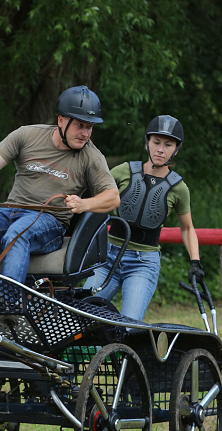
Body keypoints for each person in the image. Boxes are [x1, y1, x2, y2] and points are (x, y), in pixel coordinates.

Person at [0, 86, 120, 283]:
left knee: (17, 234)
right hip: (9, 212)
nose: (85, 133)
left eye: (90, 127)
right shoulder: (27, 135)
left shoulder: (92, 157)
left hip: (51, 223)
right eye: (80, 125)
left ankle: (10, 306)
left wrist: (84, 205)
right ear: (61, 120)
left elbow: (113, 197)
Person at [83, 115, 203, 321]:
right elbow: (94, 199)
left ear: (176, 149)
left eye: (168, 145)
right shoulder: (123, 171)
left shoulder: (179, 188)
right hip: (108, 256)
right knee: (81, 316)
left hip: (143, 263)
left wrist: (195, 262)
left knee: (129, 327)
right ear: (147, 142)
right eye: (156, 142)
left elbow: (187, 228)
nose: (160, 149)